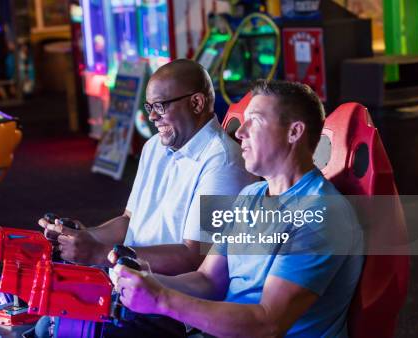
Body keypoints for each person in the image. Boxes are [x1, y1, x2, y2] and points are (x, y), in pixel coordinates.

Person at [113, 80, 364, 337]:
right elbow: (209, 281)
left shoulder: (321, 215)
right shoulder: (250, 196)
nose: (241, 131)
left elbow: (268, 324)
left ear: (294, 132)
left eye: (254, 120)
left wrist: (162, 299)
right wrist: (147, 280)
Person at [39, 59, 254, 276]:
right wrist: (82, 238)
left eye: (160, 106)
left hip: (166, 301)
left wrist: (99, 253)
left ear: (197, 103)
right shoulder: (154, 147)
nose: (152, 117)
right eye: (149, 107)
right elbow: (130, 221)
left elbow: (195, 257)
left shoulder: (224, 161)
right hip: (129, 285)